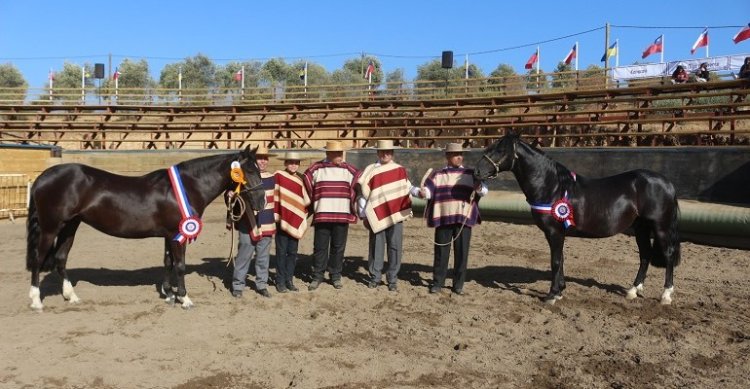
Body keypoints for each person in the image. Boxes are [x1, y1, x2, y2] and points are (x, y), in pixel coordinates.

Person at [417, 143, 488, 295]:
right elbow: (428, 191)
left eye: (461, 154)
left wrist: (478, 187)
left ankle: (458, 285)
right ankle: (437, 283)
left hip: (463, 220)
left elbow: (484, 191)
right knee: (441, 252)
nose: (459, 157)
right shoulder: (437, 174)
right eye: (456, 154)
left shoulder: (471, 173)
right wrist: (423, 193)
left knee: (462, 253)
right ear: (448, 156)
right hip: (443, 218)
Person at [356, 140, 419, 292]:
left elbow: (407, 187)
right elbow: (364, 194)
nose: (386, 154)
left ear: (392, 153)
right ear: (378, 152)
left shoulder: (399, 170)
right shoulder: (370, 170)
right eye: (383, 151)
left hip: (396, 214)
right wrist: (364, 215)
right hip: (377, 215)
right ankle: (375, 277)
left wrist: (419, 192)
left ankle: (392, 278)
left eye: (389, 152)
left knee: (395, 246)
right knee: (376, 246)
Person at [303, 140, 360, 291]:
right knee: (320, 247)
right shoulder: (316, 168)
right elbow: (307, 182)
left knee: (338, 247)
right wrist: (315, 201)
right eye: (337, 154)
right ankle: (317, 276)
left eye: (341, 153)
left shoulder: (349, 170)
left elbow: (359, 182)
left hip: (341, 215)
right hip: (323, 213)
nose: (340, 156)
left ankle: (335, 275)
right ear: (329, 154)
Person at [227, 146, 276, 298]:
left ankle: (261, 284)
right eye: (259, 158)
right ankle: (238, 285)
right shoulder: (242, 178)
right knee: (244, 254)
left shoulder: (273, 178)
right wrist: (230, 195)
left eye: (265, 158)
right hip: (247, 222)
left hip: (267, 222)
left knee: (263, 257)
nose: (262, 161)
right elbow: (231, 196)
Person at [273, 151, 311, 293]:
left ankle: (289, 279)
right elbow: (273, 194)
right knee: (281, 251)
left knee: (293, 252)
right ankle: (280, 280)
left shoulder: (301, 179)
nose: (293, 165)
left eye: (296, 163)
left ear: (299, 164)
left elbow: (305, 200)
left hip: (295, 220)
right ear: (285, 163)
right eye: (290, 162)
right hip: (282, 219)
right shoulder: (278, 176)